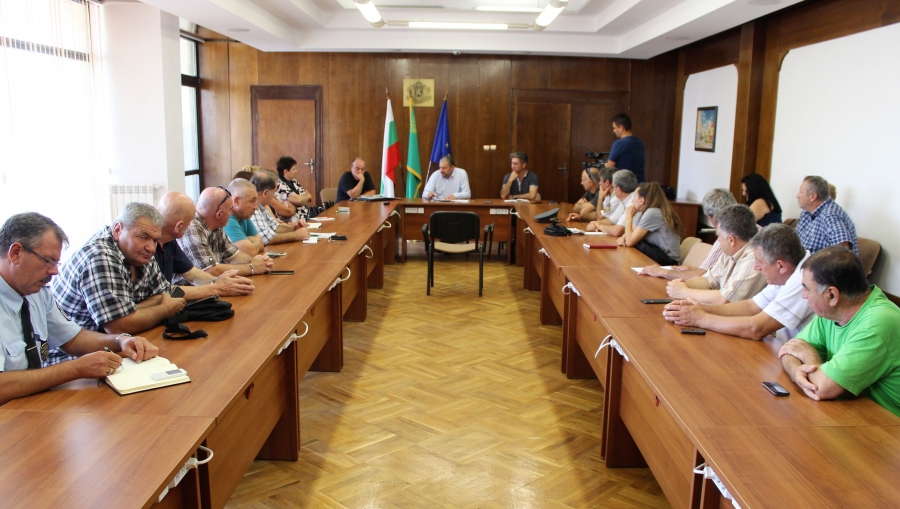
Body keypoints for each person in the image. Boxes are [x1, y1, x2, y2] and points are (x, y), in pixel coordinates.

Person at [0, 213, 159, 405]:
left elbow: (73, 339)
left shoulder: (38, 293)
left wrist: (121, 341)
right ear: (16, 253)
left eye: (56, 263)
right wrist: (75, 368)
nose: (54, 271)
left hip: (33, 405)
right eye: (48, 261)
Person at [778, 247, 900, 416]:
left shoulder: (877, 323)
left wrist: (809, 356)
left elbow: (822, 388)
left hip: (887, 424)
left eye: (807, 289)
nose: (804, 295)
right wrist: (796, 372)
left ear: (832, 295)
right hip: (853, 410)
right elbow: (789, 350)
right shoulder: (830, 313)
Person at [663, 224, 814, 342]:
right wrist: (701, 309)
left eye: (759, 262)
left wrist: (700, 319)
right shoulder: (788, 270)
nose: (756, 267)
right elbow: (751, 306)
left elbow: (757, 328)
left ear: (781, 266)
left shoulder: (803, 279)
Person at [53, 203, 185, 335]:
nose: (151, 248)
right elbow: (118, 327)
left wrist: (130, 311)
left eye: (155, 240)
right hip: (77, 346)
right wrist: (165, 309)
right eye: (143, 237)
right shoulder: (101, 257)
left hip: (114, 339)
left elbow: (163, 293)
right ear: (117, 230)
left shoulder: (139, 253)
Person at [155, 192, 254, 298]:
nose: (190, 225)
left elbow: (192, 274)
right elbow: (163, 292)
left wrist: (217, 281)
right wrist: (216, 288)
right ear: (179, 226)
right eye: (189, 222)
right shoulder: (148, 248)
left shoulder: (169, 242)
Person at [666, 204, 766, 305]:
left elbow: (725, 300)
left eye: (719, 236)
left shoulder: (755, 257)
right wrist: (681, 284)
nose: (718, 240)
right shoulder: (730, 251)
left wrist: (684, 292)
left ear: (731, 240)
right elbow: (709, 280)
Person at [176, 186, 274, 286]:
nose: (232, 213)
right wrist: (252, 268)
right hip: (188, 292)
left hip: (210, 288)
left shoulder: (217, 225)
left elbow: (234, 256)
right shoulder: (192, 228)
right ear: (219, 214)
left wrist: (259, 262)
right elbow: (209, 271)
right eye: (231, 209)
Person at [639, 188, 736, 280]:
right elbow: (709, 271)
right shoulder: (736, 231)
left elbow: (700, 276)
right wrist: (692, 269)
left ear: (711, 217)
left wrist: (662, 272)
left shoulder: (725, 238)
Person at [617, 182, 683, 265]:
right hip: (658, 255)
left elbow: (629, 241)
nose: (632, 200)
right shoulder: (645, 212)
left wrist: (628, 217)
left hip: (668, 261)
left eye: (634, 197)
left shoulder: (652, 213)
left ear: (641, 200)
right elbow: (629, 235)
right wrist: (623, 238)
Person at [795, 175, 859, 254]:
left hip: (817, 262)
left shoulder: (831, 216)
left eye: (801, 192)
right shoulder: (806, 212)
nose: (797, 195)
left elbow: (842, 252)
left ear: (813, 196)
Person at [249, 169, 310, 246]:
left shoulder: (261, 206)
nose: (274, 196)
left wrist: (294, 228)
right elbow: (266, 238)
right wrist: (296, 235)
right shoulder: (252, 208)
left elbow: (275, 227)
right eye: (274, 192)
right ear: (265, 193)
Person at [586, 170, 638, 237]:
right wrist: (594, 223)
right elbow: (611, 221)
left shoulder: (633, 202)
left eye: (613, 187)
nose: (612, 189)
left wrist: (599, 226)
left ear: (619, 190)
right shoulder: (624, 200)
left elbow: (617, 231)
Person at [223, 179, 265, 256]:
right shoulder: (227, 218)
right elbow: (249, 252)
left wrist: (247, 242)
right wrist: (251, 241)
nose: (256, 207)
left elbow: (261, 244)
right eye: (252, 201)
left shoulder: (244, 215)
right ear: (237, 201)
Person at [606, 113, 646, 182]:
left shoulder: (619, 144)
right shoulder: (640, 143)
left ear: (621, 128)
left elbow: (609, 169)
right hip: (640, 184)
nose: (614, 131)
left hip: (624, 185)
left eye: (615, 128)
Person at [273, 156, 313, 222]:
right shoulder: (280, 185)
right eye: (293, 169)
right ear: (285, 171)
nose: (296, 172)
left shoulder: (294, 181)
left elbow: (309, 199)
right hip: (295, 218)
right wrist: (307, 196)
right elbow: (299, 201)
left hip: (306, 213)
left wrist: (305, 198)